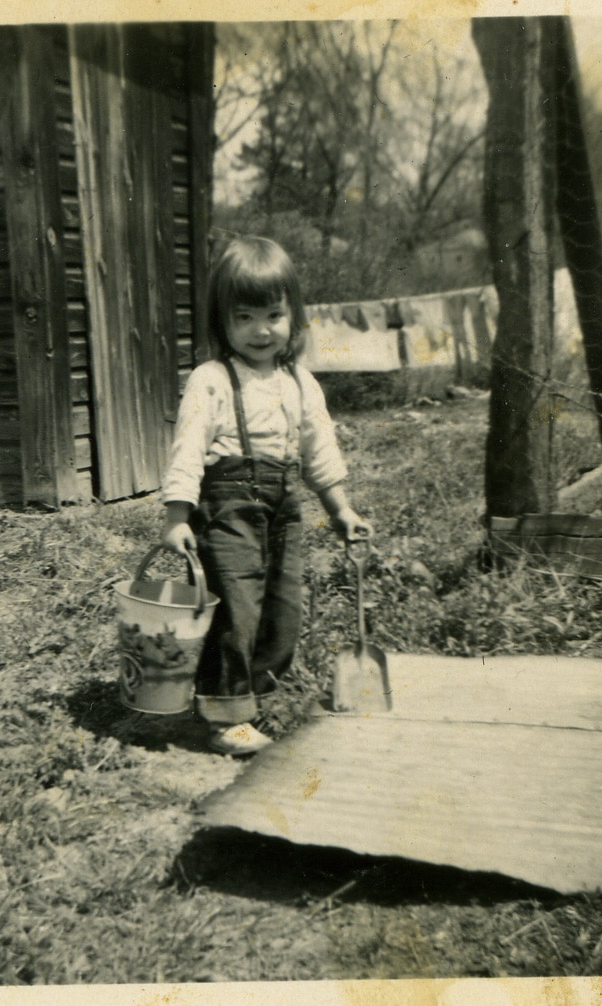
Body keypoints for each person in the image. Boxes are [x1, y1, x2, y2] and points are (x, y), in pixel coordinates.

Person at [160, 235, 372, 756]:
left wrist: (340, 508)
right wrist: (176, 516)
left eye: (273, 315)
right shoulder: (212, 380)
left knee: (282, 607)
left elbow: (319, 448)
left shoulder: (300, 382)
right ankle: (225, 712)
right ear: (222, 322)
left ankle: (257, 696)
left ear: (293, 317)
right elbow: (188, 448)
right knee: (236, 606)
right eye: (244, 316)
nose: (261, 330)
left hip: (284, 507)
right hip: (227, 505)